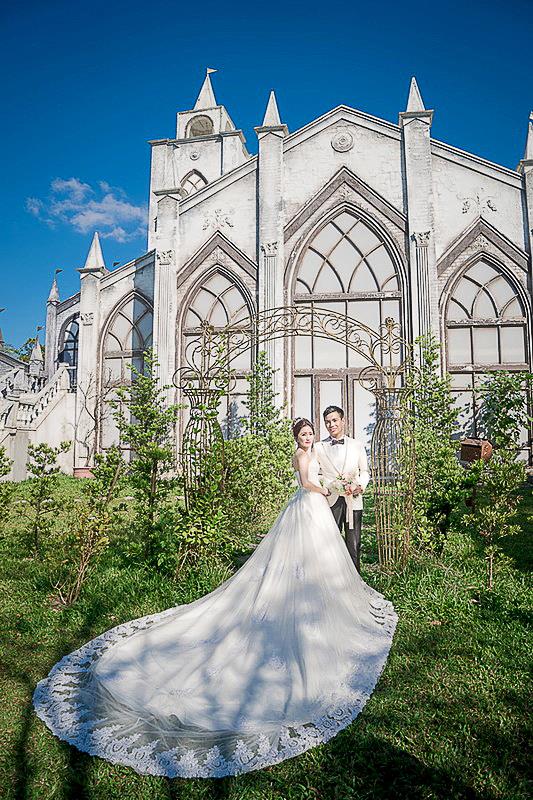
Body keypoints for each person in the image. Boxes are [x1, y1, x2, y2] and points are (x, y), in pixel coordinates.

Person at [33, 419, 396, 779]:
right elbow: (306, 483)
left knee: (319, 560)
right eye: (303, 435)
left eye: (310, 433)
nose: (308, 438)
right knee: (294, 560)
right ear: (296, 438)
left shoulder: (318, 449)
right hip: (309, 506)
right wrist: (332, 485)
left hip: (319, 509)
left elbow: (335, 471)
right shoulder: (302, 457)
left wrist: (344, 484)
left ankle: (319, 597)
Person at [314, 406, 369, 573]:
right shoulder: (318, 447)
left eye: (334, 420)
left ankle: (355, 583)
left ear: (343, 421)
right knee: (329, 545)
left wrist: (359, 485)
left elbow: (365, 471)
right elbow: (316, 474)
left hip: (353, 500)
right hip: (330, 500)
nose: (331, 425)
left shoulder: (357, 445)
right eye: (327, 422)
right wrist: (329, 486)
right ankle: (331, 581)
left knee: (354, 544)